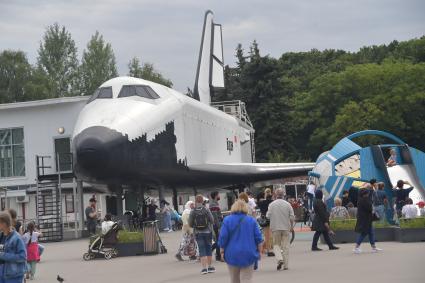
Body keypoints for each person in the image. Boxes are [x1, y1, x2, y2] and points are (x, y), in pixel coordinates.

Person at [219, 200, 263, 283]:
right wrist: (260, 251)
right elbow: (258, 238)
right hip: (249, 253)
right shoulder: (251, 220)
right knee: (247, 279)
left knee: (234, 279)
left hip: (232, 254)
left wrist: (222, 250)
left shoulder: (227, 220)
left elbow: (223, 237)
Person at [266, 188, 294, 271]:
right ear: (283, 195)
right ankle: (286, 265)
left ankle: (279, 259)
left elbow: (268, 216)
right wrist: (291, 226)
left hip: (275, 227)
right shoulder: (288, 204)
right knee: (286, 246)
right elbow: (292, 217)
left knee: (276, 245)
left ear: (275, 195)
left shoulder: (271, 204)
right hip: (286, 227)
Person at [189, 195, 215, 275]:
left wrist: (195, 226)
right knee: (209, 248)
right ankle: (210, 267)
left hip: (198, 233)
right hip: (208, 232)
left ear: (196, 201)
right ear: (203, 201)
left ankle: (204, 269)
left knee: (201, 249)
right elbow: (212, 220)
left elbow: (190, 224)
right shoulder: (206, 209)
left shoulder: (193, 211)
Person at [0, 211, 27, 283]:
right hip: (2, 273)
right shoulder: (1, 236)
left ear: (4, 223)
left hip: (13, 275)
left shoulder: (16, 238)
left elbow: (23, 257)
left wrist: (3, 255)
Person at [354, 190, 382, 254]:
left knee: (370, 233)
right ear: (365, 194)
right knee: (364, 233)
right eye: (367, 193)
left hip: (365, 219)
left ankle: (373, 247)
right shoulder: (364, 200)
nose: (368, 194)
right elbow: (369, 208)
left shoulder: (360, 200)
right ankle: (356, 247)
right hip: (366, 220)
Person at [257, 188, 274, 256]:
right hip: (271, 220)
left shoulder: (261, 202)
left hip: (264, 220)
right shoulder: (272, 202)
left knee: (267, 236)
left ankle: (265, 248)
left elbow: (258, 205)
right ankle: (267, 249)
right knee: (270, 236)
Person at [209, 191, 223, 261]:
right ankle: (218, 255)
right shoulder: (213, 204)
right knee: (218, 240)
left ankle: (211, 251)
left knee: (218, 240)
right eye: (218, 195)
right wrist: (219, 226)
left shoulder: (215, 203)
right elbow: (215, 217)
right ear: (215, 196)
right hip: (217, 224)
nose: (219, 196)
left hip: (218, 223)